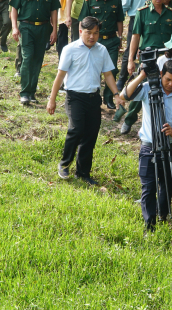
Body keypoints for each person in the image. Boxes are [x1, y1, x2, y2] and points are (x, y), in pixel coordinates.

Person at [47, 16, 123, 185]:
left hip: (94, 98)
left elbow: (108, 74)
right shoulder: (70, 49)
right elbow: (60, 76)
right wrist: (51, 99)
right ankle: (64, 163)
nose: (92, 37)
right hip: (75, 97)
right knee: (76, 129)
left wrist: (116, 94)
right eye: (88, 33)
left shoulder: (101, 50)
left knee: (91, 134)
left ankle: (83, 172)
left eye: (96, 33)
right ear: (80, 31)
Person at [122, 59, 172, 233]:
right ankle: (149, 224)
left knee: (167, 183)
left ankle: (163, 214)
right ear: (161, 74)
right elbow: (126, 95)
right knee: (148, 185)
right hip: (149, 145)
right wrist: (142, 76)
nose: (171, 84)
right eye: (168, 79)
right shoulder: (148, 88)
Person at [119, 0, 172, 135]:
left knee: (167, 89)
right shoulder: (142, 13)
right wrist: (131, 60)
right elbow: (135, 37)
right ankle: (129, 120)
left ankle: (163, 124)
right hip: (148, 58)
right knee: (144, 87)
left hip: (168, 58)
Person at [9, 0, 60, 104]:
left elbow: (54, 12)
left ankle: (32, 92)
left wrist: (54, 30)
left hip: (43, 28)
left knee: (38, 60)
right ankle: (24, 92)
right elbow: (14, 8)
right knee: (27, 57)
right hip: (26, 27)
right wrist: (14, 27)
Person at [77, 0, 125, 110]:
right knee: (94, 70)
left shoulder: (116, 0)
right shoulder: (89, 0)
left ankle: (109, 98)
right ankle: (95, 97)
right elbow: (83, 21)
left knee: (112, 69)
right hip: (94, 41)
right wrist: (83, 39)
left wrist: (120, 37)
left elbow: (119, 21)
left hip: (111, 40)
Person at [116, 0, 163, 95]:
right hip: (135, 19)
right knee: (130, 49)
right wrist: (120, 25)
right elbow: (124, 5)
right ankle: (122, 78)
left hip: (153, 21)